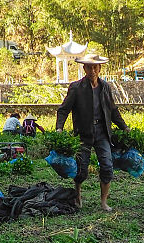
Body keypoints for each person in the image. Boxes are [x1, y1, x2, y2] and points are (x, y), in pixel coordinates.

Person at [55, 54, 129, 213]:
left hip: (102, 132)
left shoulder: (105, 87)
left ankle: (104, 202)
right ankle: (78, 197)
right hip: (83, 133)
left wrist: (124, 127)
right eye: (89, 67)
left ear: (100, 68)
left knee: (107, 166)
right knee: (81, 169)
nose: (92, 70)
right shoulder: (76, 88)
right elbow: (63, 109)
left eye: (95, 67)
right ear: (84, 69)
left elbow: (113, 110)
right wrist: (59, 128)